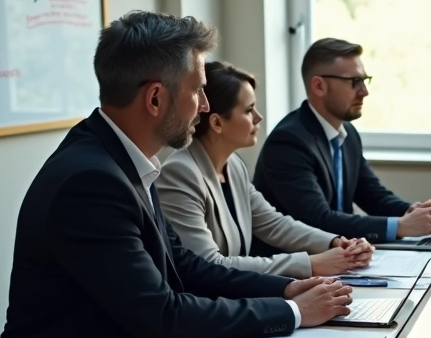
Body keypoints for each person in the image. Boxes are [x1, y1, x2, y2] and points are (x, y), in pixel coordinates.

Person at [0, 12, 353, 338]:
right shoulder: (91, 182)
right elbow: (163, 316)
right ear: (156, 98)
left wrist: (289, 290)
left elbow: (185, 266)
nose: (206, 104)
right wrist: (295, 314)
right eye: (197, 90)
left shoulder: (122, 159)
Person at [158, 61, 375, 278]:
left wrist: (336, 242)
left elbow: (274, 224)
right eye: (249, 110)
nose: (258, 117)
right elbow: (209, 264)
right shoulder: (180, 173)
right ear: (216, 123)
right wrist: (310, 264)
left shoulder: (233, 165)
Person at [252, 38, 431, 249]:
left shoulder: (347, 131)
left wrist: (414, 212)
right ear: (319, 86)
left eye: (365, 80)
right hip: (295, 267)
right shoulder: (288, 142)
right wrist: (401, 226)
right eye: (354, 81)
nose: (364, 91)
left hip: (340, 257)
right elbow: (318, 219)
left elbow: (372, 195)